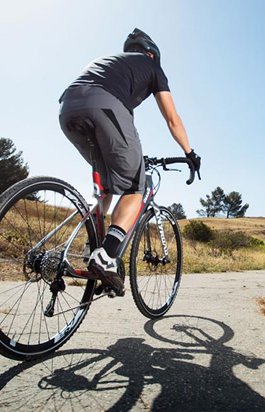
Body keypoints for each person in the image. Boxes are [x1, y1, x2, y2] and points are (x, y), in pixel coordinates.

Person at [58, 28, 200, 296]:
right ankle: (107, 256)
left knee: (107, 188)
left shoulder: (110, 61)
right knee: (136, 188)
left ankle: (93, 246)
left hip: (68, 107)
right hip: (105, 106)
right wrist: (190, 153)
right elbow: (172, 119)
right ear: (151, 54)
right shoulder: (151, 66)